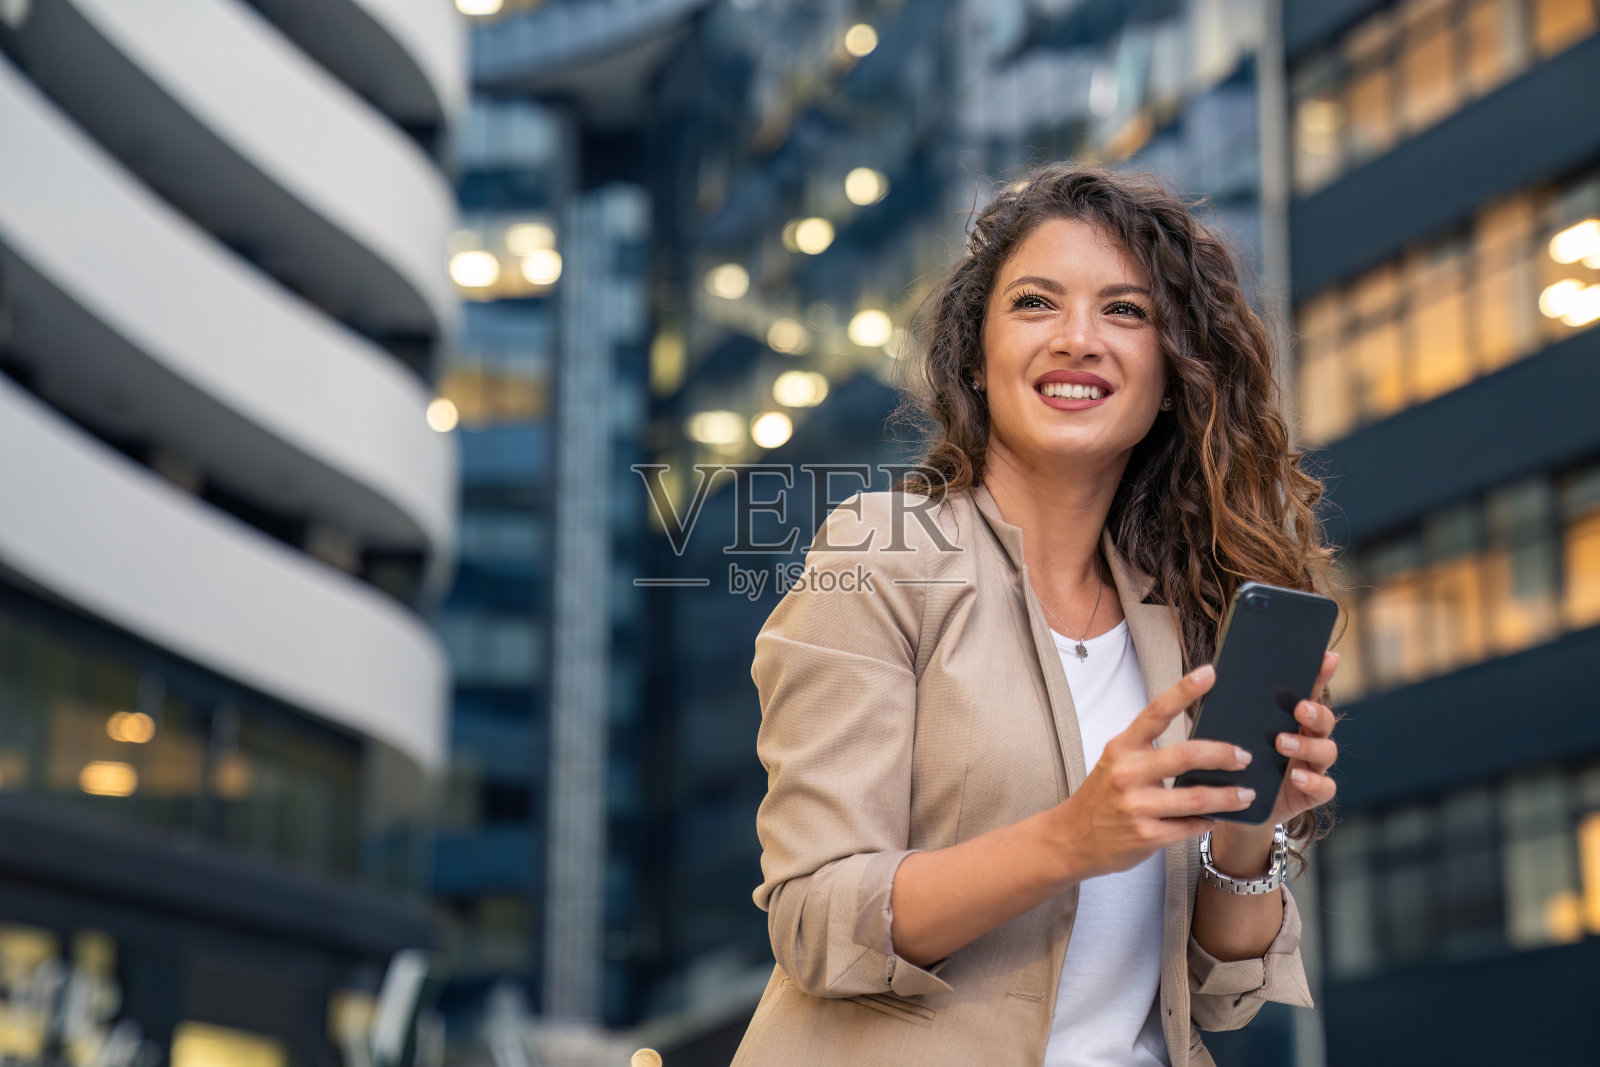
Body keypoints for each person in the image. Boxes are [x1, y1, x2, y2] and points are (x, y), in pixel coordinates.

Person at [730, 163, 1342, 1066]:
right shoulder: (883, 552)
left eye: (1125, 311)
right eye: (1034, 303)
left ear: (1172, 375)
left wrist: (1248, 821)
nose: (1078, 338)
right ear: (977, 359)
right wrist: (1070, 838)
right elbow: (816, 921)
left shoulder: (1182, 613)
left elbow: (1221, 995)